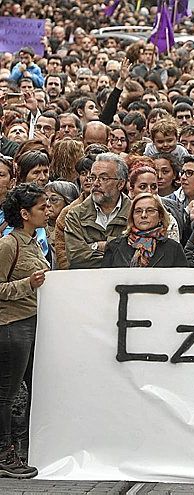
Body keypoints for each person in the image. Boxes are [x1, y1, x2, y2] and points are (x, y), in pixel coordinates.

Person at [0, 183, 49, 479]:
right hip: (11, 326)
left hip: (30, 322)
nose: (48, 211)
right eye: (41, 207)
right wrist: (26, 285)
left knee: (31, 388)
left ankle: (21, 446)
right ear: (24, 213)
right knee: (6, 394)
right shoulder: (9, 245)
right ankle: (4, 452)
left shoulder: (32, 242)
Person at [63, 153, 132, 269]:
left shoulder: (135, 213)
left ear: (120, 184)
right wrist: (116, 249)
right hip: (88, 282)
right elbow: (77, 258)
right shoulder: (75, 215)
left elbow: (136, 255)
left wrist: (97, 246)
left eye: (103, 178)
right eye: (93, 177)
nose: (95, 183)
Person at [101, 193, 188, 268]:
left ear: (160, 216)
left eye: (150, 211)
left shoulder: (173, 249)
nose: (143, 215)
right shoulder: (114, 246)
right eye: (138, 211)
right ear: (132, 216)